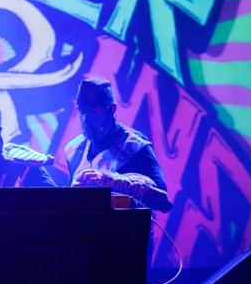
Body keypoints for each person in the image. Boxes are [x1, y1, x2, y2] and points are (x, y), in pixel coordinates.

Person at [66, 76, 173, 212]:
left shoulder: (136, 146)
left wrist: (112, 182)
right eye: (82, 111)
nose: (86, 119)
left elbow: (163, 201)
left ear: (112, 109)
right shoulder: (74, 150)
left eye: (95, 111)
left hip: (127, 225)